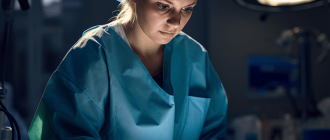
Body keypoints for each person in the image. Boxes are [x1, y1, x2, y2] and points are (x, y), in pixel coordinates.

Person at [28, 0, 228, 139]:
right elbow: (72, 133)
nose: (176, 22)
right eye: (163, 6)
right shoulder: (95, 53)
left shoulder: (194, 57)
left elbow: (213, 130)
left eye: (186, 9)